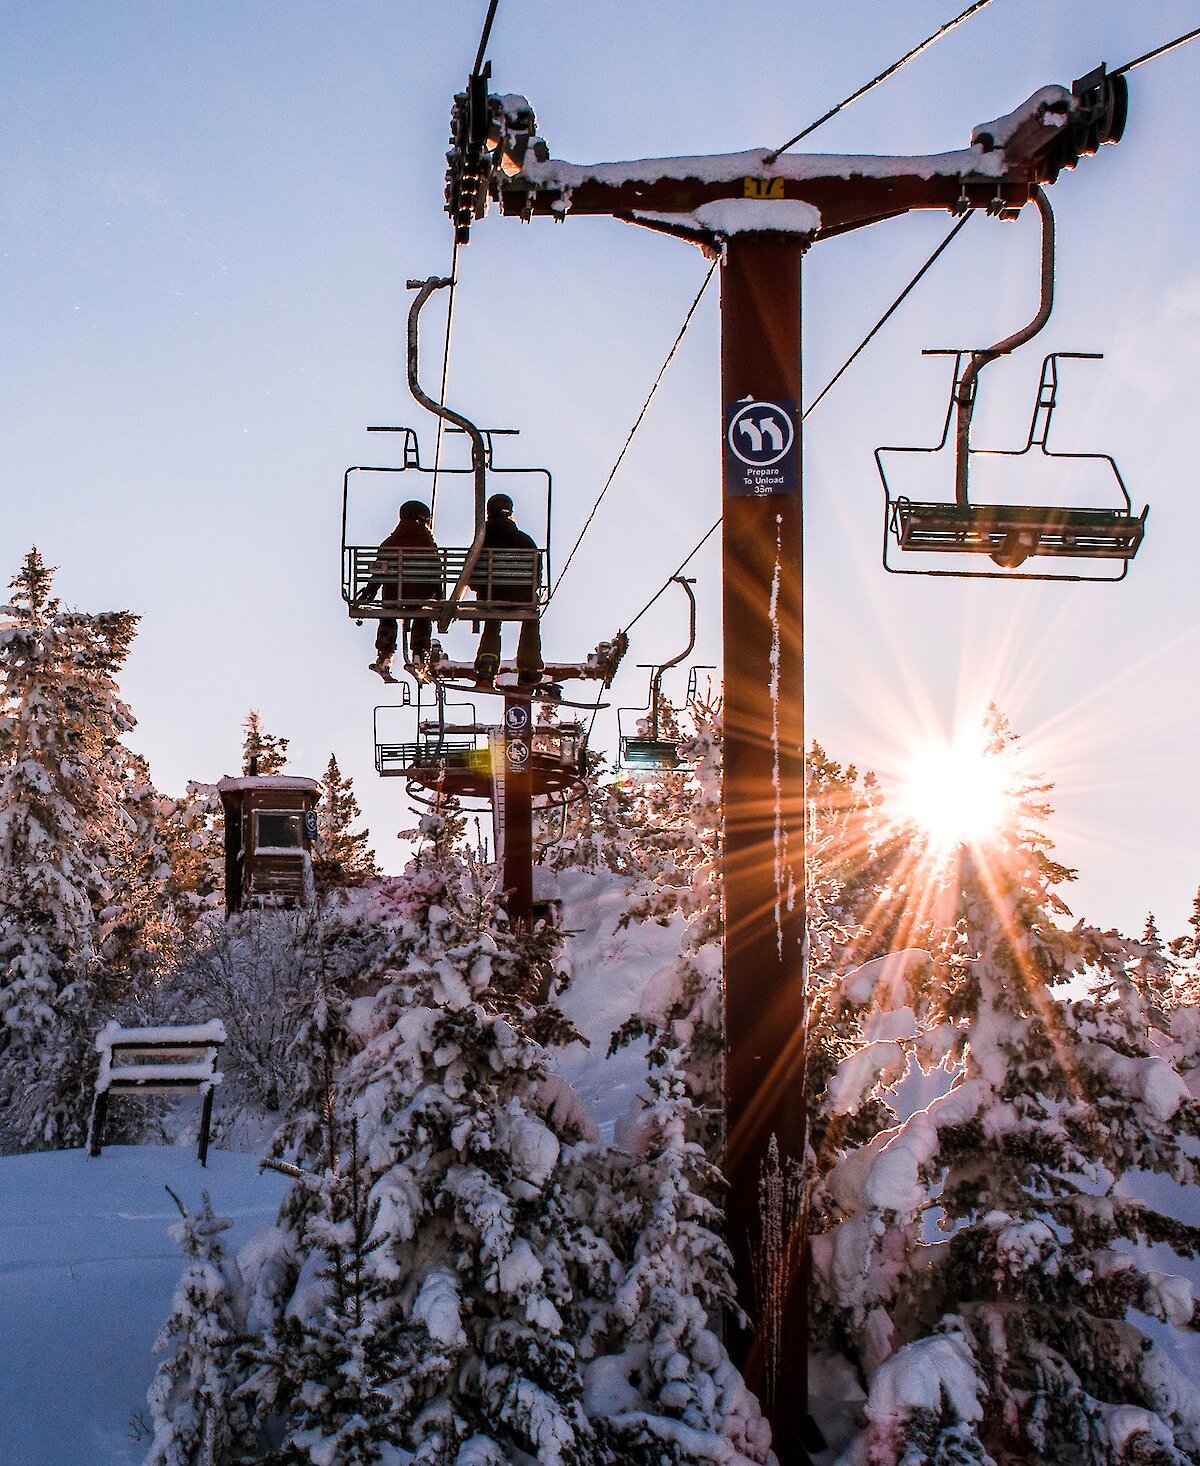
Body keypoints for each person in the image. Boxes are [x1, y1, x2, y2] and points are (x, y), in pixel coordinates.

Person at [471, 492, 544, 689]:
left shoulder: (481, 541)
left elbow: (470, 575)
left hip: (491, 597)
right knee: (530, 619)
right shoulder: (525, 540)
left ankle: (487, 667)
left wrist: (481, 588)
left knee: (492, 622)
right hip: (522, 598)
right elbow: (536, 574)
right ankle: (529, 671)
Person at [367, 500, 441, 682]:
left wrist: (370, 591)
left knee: (388, 606)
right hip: (422, 596)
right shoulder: (428, 544)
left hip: (395, 596)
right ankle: (419, 654)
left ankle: (385, 654)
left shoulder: (390, 542)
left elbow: (379, 571)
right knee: (423, 612)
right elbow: (437, 573)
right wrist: (440, 598)